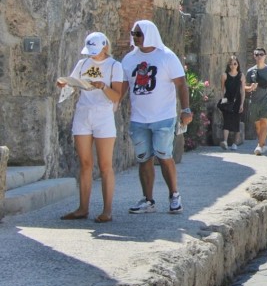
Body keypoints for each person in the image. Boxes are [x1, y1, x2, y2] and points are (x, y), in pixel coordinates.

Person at [121, 20, 190, 215]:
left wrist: (186, 109)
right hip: (139, 118)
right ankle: (148, 200)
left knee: (164, 155)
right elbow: (123, 86)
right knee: (144, 158)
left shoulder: (167, 56)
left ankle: (174, 195)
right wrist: (111, 103)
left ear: (149, 34)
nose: (135, 38)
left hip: (163, 117)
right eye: (134, 34)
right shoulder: (129, 59)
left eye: (138, 34)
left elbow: (181, 84)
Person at [57, 32, 125, 223]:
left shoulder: (114, 66)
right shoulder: (82, 63)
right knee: (85, 163)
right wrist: (64, 84)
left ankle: (107, 210)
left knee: (105, 165)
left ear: (105, 47)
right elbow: (72, 85)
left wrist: (103, 87)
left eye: (95, 50)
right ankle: (83, 208)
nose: (92, 54)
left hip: (103, 116)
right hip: (83, 114)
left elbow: (116, 96)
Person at [245, 47, 267, 155]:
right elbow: (244, 87)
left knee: (264, 122)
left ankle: (259, 145)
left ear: (265, 56)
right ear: (254, 56)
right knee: (258, 126)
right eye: (257, 54)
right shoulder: (250, 71)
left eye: (261, 54)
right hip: (254, 101)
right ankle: (263, 144)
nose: (259, 56)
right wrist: (250, 88)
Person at [218, 55, 244, 150]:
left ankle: (234, 143)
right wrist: (223, 102)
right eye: (231, 64)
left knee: (236, 122)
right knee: (227, 121)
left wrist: (242, 104)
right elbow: (222, 90)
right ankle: (225, 142)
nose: (233, 66)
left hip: (237, 101)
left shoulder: (241, 76)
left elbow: (242, 91)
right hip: (227, 100)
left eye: (235, 64)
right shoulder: (224, 75)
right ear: (228, 65)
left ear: (238, 64)